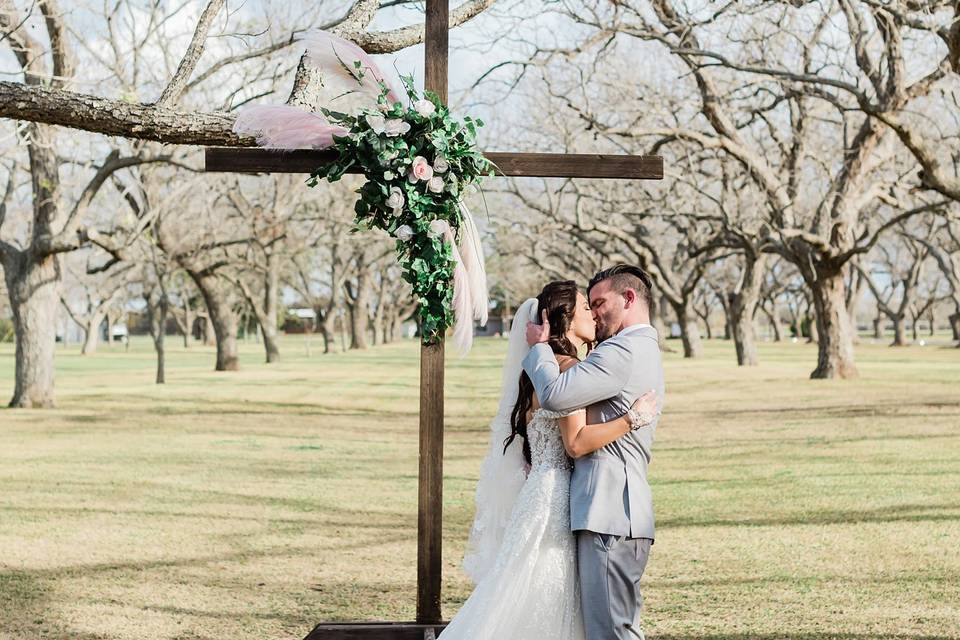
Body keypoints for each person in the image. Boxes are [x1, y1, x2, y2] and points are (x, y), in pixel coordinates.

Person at [443, 279, 658, 640]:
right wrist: (631, 419)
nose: (594, 314)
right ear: (566, 319)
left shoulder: (540, 371)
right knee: (545, 593)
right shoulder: (566, 367)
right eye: (586, 308)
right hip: (557, 498)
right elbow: (575, 442)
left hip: (542, 491)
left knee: (520, 590)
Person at [524, 265, 665, 640]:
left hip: (610, 512)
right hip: (618, 511)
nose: (596, 312)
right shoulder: (642, 347)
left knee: (610, 632)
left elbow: (555, 396)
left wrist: (539, 348)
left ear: (629, 298)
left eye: (600, 302)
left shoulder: (621, 351)